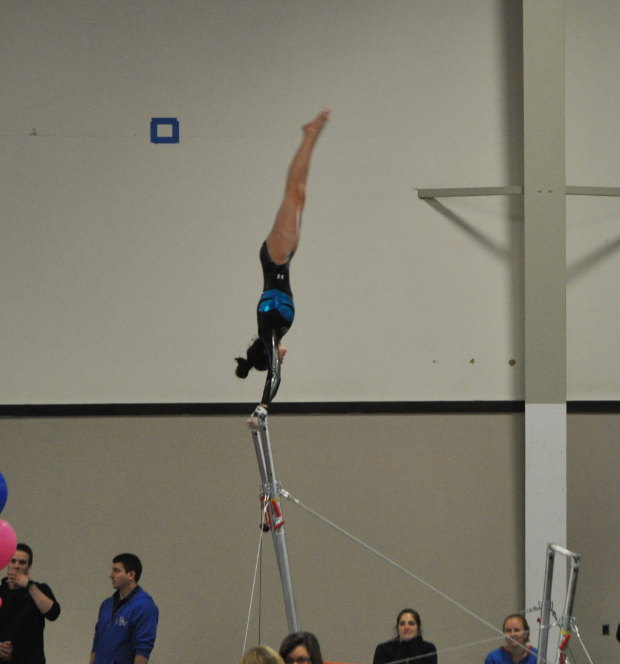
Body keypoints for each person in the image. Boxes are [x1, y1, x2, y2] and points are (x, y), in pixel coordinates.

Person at [236, 109, 330, 411]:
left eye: (276, 358)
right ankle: (310, 137)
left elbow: (275, 376)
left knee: (293, 193)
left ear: (268, 354)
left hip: (276, 257)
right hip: (282, 257)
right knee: (299, 195)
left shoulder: (269, 333)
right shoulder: (276, 331)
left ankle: (310, 135)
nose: (283, 358)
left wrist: (263, 406)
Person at [90, 553, 159, 664]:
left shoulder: (144, 607)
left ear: (130, 575)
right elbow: (97, 641)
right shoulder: (107, 605)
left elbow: (143, 648)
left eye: (116, 571)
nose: (111, 575)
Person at [0, 543, 61, 664]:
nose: (16, 566)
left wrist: (28, 585)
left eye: (22, 562)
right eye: (13, 561)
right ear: (8, 563)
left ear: (29, 567)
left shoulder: (39, 590)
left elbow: (53, 613)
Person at [373, 608, 437, 664]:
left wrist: (413, 645)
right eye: (402, 624)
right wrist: (402, 645)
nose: (406, 627)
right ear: (397, 628)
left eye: (411, 623)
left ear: (418, 628)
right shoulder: (383, 649)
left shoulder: (429, 649)